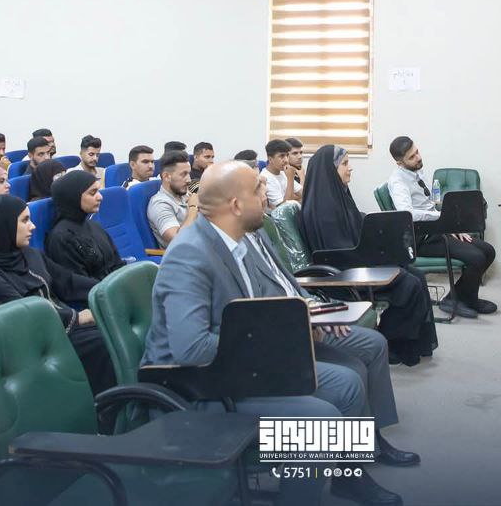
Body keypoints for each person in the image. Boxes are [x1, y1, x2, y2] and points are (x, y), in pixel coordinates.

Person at [146, 161, 416, 506]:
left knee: (347, 384)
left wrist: (297, 325)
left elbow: (258, 310)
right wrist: (284, 342)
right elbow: (193, 349)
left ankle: (349, 476)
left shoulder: (235, 241)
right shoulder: (189, 255)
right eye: (258, 189)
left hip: (238, 366)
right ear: (236, 205)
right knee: (321, 419)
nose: (267, 193)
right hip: (200, 386)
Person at [300, 146, 438, 366]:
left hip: (356, 263)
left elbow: (358, 231)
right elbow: (337, 253)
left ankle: (412, 344)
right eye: (345, 164)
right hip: (342, 274)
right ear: (330, 171)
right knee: (408, 284)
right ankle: (390, 342)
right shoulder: (323, 210)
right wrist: (376, 258)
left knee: (416, 276)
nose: (350, 168)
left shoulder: (338, 197)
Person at [0, 195, 114, 394]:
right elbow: (23, 312)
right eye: (24, 221)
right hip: (37, 341)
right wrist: (77, 317)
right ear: (3, 226)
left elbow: (68, 281)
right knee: (104, 343)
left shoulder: (29, 254)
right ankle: (110, 405)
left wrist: (107, 291)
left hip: (60, 326)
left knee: (114, 329)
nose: (33, 226)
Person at [387, 136, 497, 317]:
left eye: (417, 152)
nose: (418, 158)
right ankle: (465, 299)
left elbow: (428, 205)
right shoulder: (398, 182)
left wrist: (449, 225)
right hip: (420, 238)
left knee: (488, 251)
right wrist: (444, 219)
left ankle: (457, 297)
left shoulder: (416, 170)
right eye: (412, 157)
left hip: (436, 229)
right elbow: (408, 214)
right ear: (400, 163)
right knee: (477, 258)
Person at [44, 170, 124, 284]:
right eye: (92, 193)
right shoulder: (61, 238)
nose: (100, 197)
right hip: (97, 292)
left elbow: (117, 263)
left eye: (98, 191)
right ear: (73, 197)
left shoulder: (94, 226)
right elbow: (77, 284)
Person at [147, 150, 199, 245]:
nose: (189, 180)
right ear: (166, 176)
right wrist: (193, 208)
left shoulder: (184, 194)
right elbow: (179, 240)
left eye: (189, 173)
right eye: (183, 174)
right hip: (187, 253)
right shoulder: (160, 204)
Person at [261, 139, 300, 208]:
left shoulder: (283, 172)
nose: (286, 160)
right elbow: (286, 208)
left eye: (287, 155)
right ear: (270, 159)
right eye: (282, 156)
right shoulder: (266, 178)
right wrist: (290, 179)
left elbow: (302, 193)